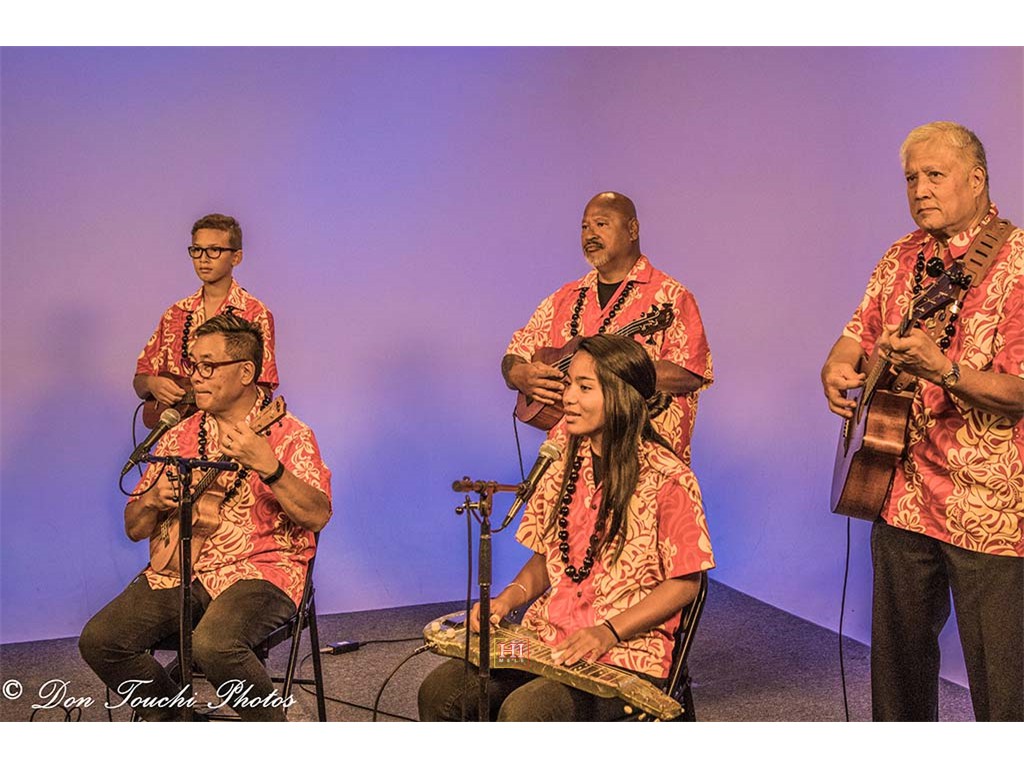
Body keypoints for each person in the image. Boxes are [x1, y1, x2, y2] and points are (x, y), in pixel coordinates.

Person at [821, 121, 1023, 721]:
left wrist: (945, 370)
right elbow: (856, 333)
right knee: (898, 672)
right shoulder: (900, 256)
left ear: (977, 180)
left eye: (935, 175)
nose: (920, 189)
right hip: (899, 491)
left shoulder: (1017, 264)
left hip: (989, 507)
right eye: (912, 178)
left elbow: (1020, 390)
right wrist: (836, 366)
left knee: (1004, 685)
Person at [419, 334, 715, 721]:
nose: (568, 397)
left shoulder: (669, 478)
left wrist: (608, 631)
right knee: (441, 692)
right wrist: (506, 600)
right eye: (569, 383)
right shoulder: (560, 465)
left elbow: (685, 584)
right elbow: (548, 559)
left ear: (621, 396)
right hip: (546, 641)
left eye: (584, 387)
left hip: (625, 654)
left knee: (526, 713)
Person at [80, 314, 331, 721]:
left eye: (209, 366)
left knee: (214, 644)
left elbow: (317, 515)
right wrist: (152, 501)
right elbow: (133, 528)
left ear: (246, 372)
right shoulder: (178, 434)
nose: (195, 377)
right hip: (183, 569)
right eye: (193, 365)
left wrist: (271, 468)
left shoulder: (290, 434)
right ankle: (180, 726)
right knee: (101, 640)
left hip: (264, 570)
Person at [503, 191, 713, 464]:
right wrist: (519, 374)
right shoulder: (563, 299)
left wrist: (609, 372)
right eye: (584, 227)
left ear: (632, 229)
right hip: (566, 465)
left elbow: (690, 372)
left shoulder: (671, 297)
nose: (590, 235)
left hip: (643, 463)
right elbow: (517, 351)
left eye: (601, 224)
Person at [134, 213, 279, 412]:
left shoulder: (255, 314)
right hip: (175, 426)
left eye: (214, 250)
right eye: (197, 250)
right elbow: (140, 379)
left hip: (228, 427)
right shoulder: (175, 313)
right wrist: (152, 384)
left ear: (236, 257)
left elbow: (263, 387)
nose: (203, 259)